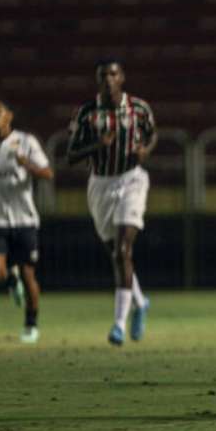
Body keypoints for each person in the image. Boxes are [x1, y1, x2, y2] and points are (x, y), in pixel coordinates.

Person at [67, 59, 156, 346]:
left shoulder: (139, 108)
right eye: (103, 75)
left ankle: (118, 323)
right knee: (117, 254)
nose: (109, 79)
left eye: (113, 74)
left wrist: (145, 150)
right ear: (97, 80)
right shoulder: (86, 113)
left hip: (132, 180)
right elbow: (71, 155)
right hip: (100, 185)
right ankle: (140, 303)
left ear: (122, 78)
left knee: (122, 250)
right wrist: (98, 145)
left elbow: (152, 134)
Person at [0, 101, 54, 343]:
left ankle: (31, 324)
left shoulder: (25, 141)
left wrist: (26, 164)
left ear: (9, 116)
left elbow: (48, 173)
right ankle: (10, 278)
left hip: (25, 220)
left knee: (29, 275)